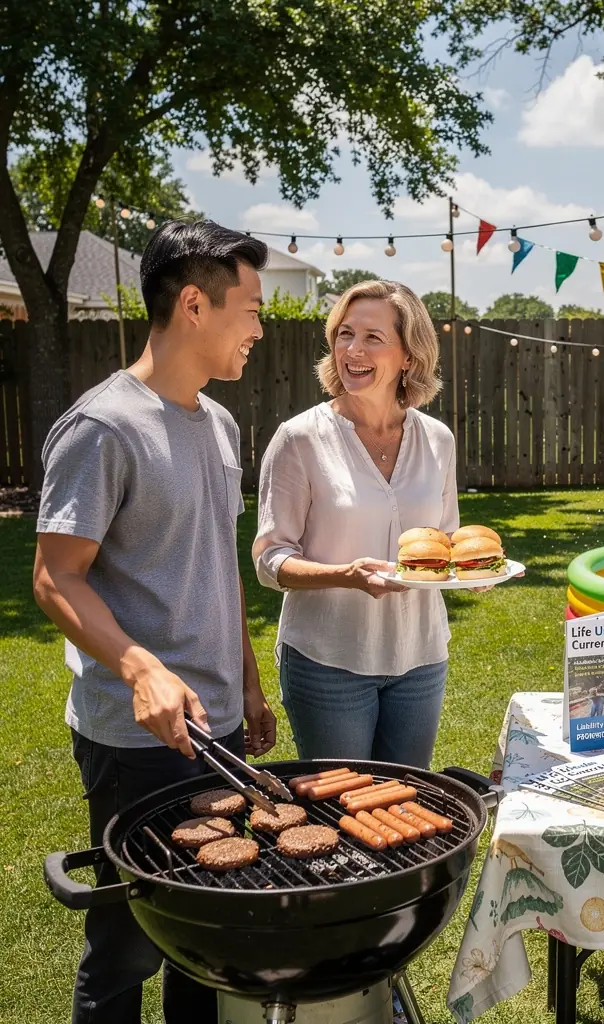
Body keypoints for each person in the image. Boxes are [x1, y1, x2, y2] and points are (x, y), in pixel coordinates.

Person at [32, 221, 276, 1024]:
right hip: (136, 736)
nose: (261, 328)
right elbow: (55, 578)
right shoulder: (104, 427)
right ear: (196, 305)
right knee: (129, 944)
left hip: (217, 725)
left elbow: (216, 562)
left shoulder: (221, 424)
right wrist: (142, 669)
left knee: (204, 935)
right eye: (252, 308)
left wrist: (248, 683)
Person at [253, 279, 463, 769]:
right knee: (343, 811)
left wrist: (471, 571)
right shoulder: (299, 439)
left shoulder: (438, 440)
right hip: (328, 660)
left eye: (373, 337)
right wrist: (345, 575)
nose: (353, 349)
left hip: (421, 656)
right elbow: (269, 560)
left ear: (409, 356)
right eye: (344, 334)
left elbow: (446, 539)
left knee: (407, 802)